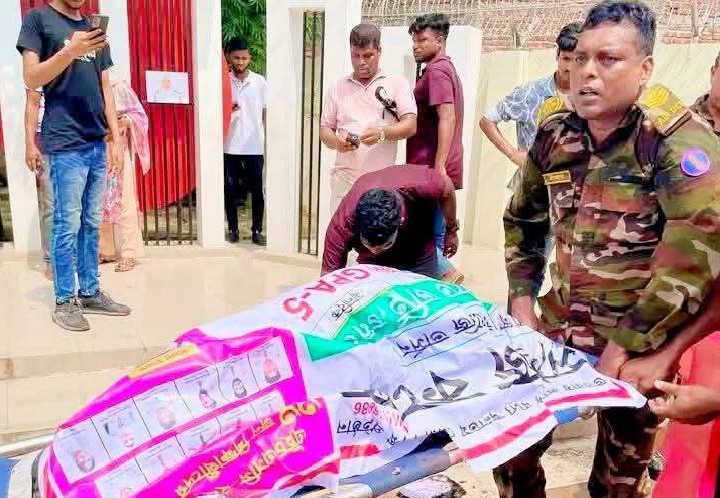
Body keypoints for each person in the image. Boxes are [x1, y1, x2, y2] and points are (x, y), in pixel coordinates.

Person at [502, 1, 720, 496]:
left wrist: (623, 347)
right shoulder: (555, 134)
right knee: (512, 452)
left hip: (641, 348)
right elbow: (522, 218)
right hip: (555, 332)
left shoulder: (677, 144)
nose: (587, 72)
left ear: (644, 68)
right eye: (580, 58)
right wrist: (521, 300)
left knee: (616, 483)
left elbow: (692, 262)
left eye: (608, 59)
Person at [17, 0, 131, 332]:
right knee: (67, 225)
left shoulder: (92, 27)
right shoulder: (38, 20)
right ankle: (65, 299)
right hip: (64, 142)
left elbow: (105, 87)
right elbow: (31, 77)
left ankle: (90, 291)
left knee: (92, 223)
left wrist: (115, 139)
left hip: (96, 141)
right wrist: (70, 51)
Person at [320, 23, 417, 213]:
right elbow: (325, 130)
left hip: (381, 187)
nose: (361, 62)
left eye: (367, 55)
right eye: (355, 56)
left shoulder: (396, 84)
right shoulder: (337, 88)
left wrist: (382, 133)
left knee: (378, 233)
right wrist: (337, 142)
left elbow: (410, 125)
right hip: (344, 186)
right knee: (341, 233)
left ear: (379, 51)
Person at [479, 23, 582, 189]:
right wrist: (513, 154)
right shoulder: (531, 93)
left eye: (577, 60)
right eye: (566, 59)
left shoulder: (589, 97)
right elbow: (487, 121)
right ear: (557, 55)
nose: (569, 67)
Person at [407, 14, 464, 283]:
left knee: (418, 237)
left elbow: (447, 116)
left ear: (439, 41)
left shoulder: (437, 71)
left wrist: (439, 166)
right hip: (434, 166)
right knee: (435, 234)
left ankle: (446, 275)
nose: (415, 46)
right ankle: (438, 287)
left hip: (430, 168)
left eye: (422, 40)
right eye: (414, 40)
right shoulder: (445, 68)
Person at [322, 164, 458, 278]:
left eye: (385, 245)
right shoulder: (342, 225)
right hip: (371, 262)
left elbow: (447, 186)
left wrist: (451, 231)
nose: (376, 252)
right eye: (368, 244)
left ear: (400, 221)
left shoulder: (423, 185)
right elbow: (328, 278)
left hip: (418, 248)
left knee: (422, 294)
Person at [98, 70, 148, 272]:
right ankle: (106, 250)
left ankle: (129, 252)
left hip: (117, 149)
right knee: (98, 201)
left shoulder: (118, 84)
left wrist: (123, 121)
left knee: (124, 199)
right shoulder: (84, 80)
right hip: (94, 149)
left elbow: (139, 115)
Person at [223, 37, 267, 245]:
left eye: (244, 58)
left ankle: (257, 230)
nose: (240, 62)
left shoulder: (260, 82)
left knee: (257, 191)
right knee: (230, 190)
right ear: (228, 57)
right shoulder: (223, 81)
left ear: (249, 57)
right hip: (229, 145)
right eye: (236, 58)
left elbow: (266, 112)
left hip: (254, 146)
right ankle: (233, 229)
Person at [24, 87, 53, 280]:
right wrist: (29, 144)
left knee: (76, 206)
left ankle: (76, 258)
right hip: (47, 138)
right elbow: (32, 103)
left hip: (76, 138)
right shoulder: (37, 72)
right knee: (50, 204)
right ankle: (51, 261)